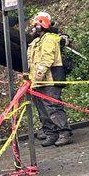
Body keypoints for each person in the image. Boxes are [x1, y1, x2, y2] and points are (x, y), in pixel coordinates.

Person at [26, 11, 72, 146]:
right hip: (37, 82)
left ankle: (64, 133)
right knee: (42, 109)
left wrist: (40, 73)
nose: (32, 29)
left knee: (52, 107)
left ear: (41, 26)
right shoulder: (35, 42)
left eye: (34, 26)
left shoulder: (50, 39)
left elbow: (47, 57)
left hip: (49, 79)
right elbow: (31, 62)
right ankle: (51, 133)